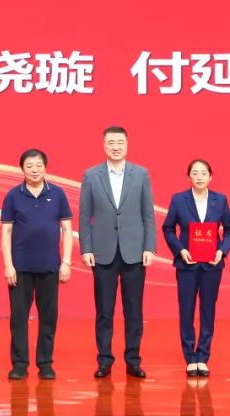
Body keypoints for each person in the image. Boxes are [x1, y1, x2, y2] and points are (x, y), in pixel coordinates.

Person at [79, 126, 156, 379]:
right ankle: (104, 360)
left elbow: (148, 214)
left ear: (127, 144)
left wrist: (149, 246)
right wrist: (86, 248)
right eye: (111, 142)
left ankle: (133, 360)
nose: (116, 147)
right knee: (104, 310)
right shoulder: (91, 175)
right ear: (104, 145)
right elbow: (84, 215)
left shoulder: (141, 174)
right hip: (103, 251)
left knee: (134, 311)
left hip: (134, 250)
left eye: (120, 142)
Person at [0, 148, 73, 380]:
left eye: (38, 165)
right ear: (22, 169)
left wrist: (66, 262)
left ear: (45, 167)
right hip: (20, 268)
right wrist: (8, 265)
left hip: (50, 266)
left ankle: (45, 363)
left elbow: (67, 230)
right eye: (29, 166)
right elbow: (6, 233)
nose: (34, 170)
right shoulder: (13, 195)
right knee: (18, 318)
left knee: (48, 317)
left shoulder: (57, 194)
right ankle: (20, 364)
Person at [161, 159, 230, 377]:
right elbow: (168, 228)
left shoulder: (220, 200)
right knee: (186, 310)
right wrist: (180, 250)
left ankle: (203, 356)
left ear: (210, 177)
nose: (199, 177)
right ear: (188, 177)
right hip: (187, 264)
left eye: (203, 173)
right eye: (195, 173)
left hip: (212, 264)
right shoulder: (179, 199)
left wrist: (222, 251)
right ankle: (190, 357)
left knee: (208, 310)